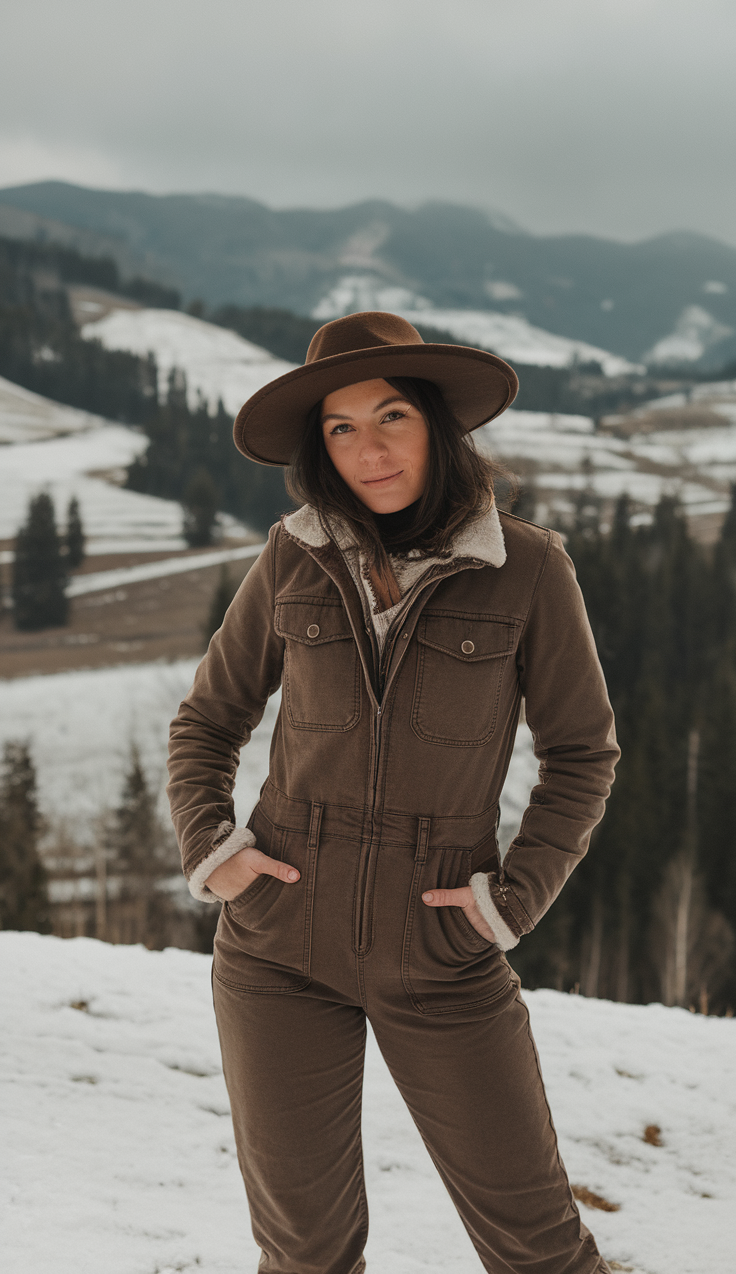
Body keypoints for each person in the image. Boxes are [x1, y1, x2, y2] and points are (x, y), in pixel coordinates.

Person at [167, 311, 619, 1274]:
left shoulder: (529, 568)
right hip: (278, 949)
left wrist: (511, 901)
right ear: (318, 449)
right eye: (339, 428)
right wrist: (216, 852)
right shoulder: (293, 557)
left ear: (437, 427)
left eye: (390, 418)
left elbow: (583, 754)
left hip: (444, 951)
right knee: (305, 1256)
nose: (367, 450)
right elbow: (206, 722)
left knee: (540, 1249)